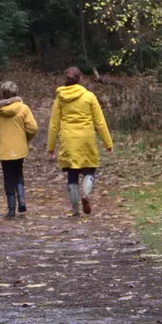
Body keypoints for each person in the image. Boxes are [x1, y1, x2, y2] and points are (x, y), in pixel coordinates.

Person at [46, 66, 113, 216]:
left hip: (68, 140)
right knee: (89, 170)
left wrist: (51, 147)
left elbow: (54, 124)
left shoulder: (60, 98)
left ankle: (75, 208)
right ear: (80, 78)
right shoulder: (89, 96)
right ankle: (86, 195)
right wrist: (108, 143)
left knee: (72, 174)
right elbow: (100, 122)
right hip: (86, 139)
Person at [0, 80, 37, 219]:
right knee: (19, 173)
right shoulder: (24, 108)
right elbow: (32, 127)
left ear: (2, 94)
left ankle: (11, 210)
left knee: (8, 177)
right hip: (20, 148)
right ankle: (22, 201)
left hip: (4, 149)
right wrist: (26, 138)